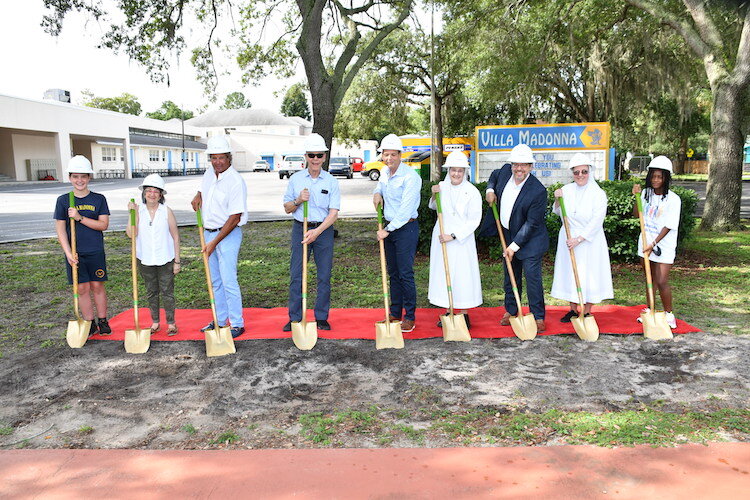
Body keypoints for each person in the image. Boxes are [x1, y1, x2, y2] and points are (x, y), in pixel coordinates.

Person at [485, 143, 549, 332]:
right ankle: (511, 310)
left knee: (532, 277)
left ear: (530, 166)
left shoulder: (538, 191)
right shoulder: (505, 172)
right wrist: (490, 190)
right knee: (510, 274)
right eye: (516, 164)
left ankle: (538, 316)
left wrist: (513, 247)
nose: (518, 168)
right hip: (508, 234)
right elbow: (494, 176)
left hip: (531, 241)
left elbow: (532, 224)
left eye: (524, 165)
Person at [191, 136, 248, 338]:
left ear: (229, 158)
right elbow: (204, 188)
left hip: (228, 235)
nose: (217, 162)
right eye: (213, 158)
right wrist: (198, 195)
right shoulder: (209, 173)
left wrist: (214, 243)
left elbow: (235, 217)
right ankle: (220, 320)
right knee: (215, 280)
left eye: (221, 158)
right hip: (209, 232)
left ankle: (237, 323)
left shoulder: (235, 181)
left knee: (228, 279)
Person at [282, 133, 340, 332]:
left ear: (324, 157)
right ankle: (295, 318)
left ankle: (321, 317)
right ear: (306, 157)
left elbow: (333, 214)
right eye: (311, 155)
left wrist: (316, 232)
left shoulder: (331, 181)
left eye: (319, 155)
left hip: (323, 230)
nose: (315, 159)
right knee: (297, 274)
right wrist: (298, 200)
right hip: (301, 228)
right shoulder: (296, 179)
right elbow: (287, 207)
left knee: (324, 275)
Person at [550, 153, 613, 321]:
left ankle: (586, 311)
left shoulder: (598, 193)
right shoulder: (567, 190)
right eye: (576, 172)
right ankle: (572, 309)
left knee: (589, 273)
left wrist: (579, 239)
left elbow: (597, 221)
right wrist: (557, 200)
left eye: (584, 172)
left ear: (589, 172)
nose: (580, 176)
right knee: (570, 272)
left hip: (589, 241)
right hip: (569, 236)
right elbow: (557, 211)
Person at [53, 155, 111, 336]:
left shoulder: (98, 199)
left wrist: (80, 218)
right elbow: (61, 230)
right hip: (75, 254)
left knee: (97, 286)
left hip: (95, 251)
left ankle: (103, 320)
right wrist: (68, 252)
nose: (80, 180)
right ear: (70, 178)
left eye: (83, 176)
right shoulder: (63, 200)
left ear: (89, 178)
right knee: (82, 288)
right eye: (75, 176)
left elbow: (103, 225)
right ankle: (89, 322)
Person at [372, 134, 422, 332]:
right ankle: (395, 312)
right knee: (392, 272)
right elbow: (380, 186)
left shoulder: (411, 177)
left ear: (400, 155)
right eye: (386, 154)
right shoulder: (384, 172)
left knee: (405, 273)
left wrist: (386, 230)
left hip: (405, 228)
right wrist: (377, 192)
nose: (389, 158)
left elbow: (405, 211)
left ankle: (409, 316)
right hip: (389, 228)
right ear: (382, 155)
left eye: (393, 154)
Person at [428, 151, 483, 327]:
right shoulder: (442, 187)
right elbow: (433, 206)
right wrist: (433, 194)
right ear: (448, 170)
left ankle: (464, 313)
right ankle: (449, 310)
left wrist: (453, 236)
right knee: (445, 274)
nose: (456, 174)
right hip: (441, 238)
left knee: (463, 275)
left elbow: (474, 220)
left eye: (460, 171)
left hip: (461, 241)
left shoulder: (472, 192)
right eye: (453, 170)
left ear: (465, 172)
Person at [126, 174, 181, 336]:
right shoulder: (138, 210)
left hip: (166, 258)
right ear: (143, 193)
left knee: (167, 291)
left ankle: (171, 323)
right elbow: (131, 234)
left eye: (155, 191)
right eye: (148, 190)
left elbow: (175, 236)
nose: (151, 194)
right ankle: (155, 322)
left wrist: (177, 261)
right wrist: (132, 214)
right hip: (145, 259)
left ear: (161, 194)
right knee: (151, 291)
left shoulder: (166, 211)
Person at [632, 155, 681, 329]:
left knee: (662, 280)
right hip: (645, 242)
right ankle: (650, 310)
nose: (656, 180)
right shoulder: (646, 194)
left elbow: (669, 226)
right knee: (650, 279)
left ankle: (669, 314)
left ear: (666, 178)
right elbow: (637, 215)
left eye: (660, 177)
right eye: (653, 176)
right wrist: (636, 197)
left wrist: (653, 245)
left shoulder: (674, 199)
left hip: (663, 245)